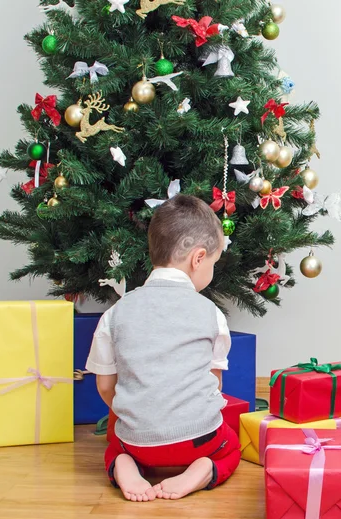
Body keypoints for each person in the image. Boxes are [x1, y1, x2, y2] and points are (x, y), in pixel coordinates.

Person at [85, 195, 240, 502]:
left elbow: (105, 386)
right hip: (200, 440)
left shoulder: (116, 313)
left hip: (137, 443)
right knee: (231, 446)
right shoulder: (211, 314)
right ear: (198, 258)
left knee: (115, 439)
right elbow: (214, 384)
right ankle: (205, 468)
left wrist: (136, 416)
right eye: (213, 262)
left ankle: (123, 463)